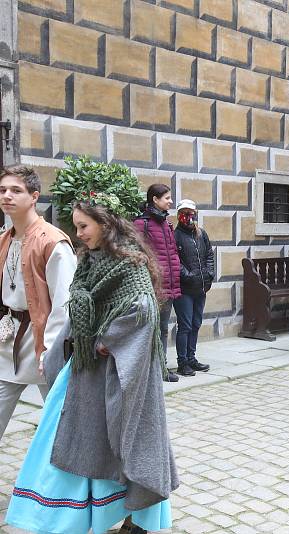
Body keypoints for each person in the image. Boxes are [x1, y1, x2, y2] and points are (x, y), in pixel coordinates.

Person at [5, 199, 177, 534]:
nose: (79, 233)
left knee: (127, 440)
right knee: (69, 437)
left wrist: (105, 340)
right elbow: (80, 306)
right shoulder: (91, 261)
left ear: (106, 223)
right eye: (77, 226)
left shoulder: (131, 264)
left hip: (118, 370)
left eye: (84, 226)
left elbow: (143, 310)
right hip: (85, 369)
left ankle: (136, 517)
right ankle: (71, 516)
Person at [0, 165, 76, 442]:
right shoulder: (5, 240)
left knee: (61, 423)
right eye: (3, 190)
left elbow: (65, 304)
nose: (7, 196)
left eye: (15, 190)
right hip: (9, 341)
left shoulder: (53, 242)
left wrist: (50, 350)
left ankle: (72, 482)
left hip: (44, 342)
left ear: (34, 196)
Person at [133, 184, 181, 382]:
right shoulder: (141, 224)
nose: (170, 201)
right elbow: (136, 254)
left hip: (169, 285)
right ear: (155, 199)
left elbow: (172, 253)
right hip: (151, 286)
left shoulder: (167, 223)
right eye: (167, 198)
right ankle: (146, 370)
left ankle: (161, 367)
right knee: (146, 329)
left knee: (162, 328)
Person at [172, 199, 213, 377]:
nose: (188, 216)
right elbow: (175, 260)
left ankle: (191, 358)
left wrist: (209, 273)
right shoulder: (175, 235)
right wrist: (188, 275)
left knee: (196, 324)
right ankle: (183, 362)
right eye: (184, 212)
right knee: (185, 325)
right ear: (179, 214)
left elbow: (209, 254)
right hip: (184, 289)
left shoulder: (201, 233)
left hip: (201, 288)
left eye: (191, 213)